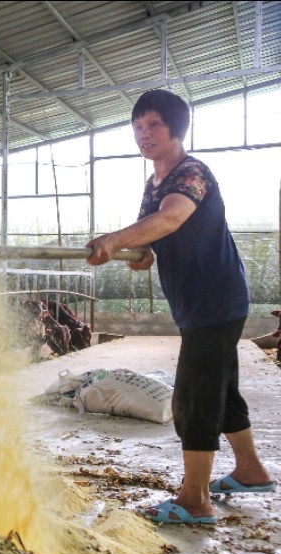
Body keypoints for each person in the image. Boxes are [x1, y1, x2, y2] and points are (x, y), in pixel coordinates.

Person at [86, 89, 275, 525]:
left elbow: (171, 219)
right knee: (221, 389)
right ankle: (251, 471)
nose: (144, 134)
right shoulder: (152, 183)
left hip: (215, 299)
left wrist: (114, 240)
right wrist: (139, 253)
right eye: (137, 127)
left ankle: (195, 500)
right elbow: (151, 236)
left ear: (176, 128)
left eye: (153, 124)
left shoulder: (191, 174)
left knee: (194, 397)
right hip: (198, 302)